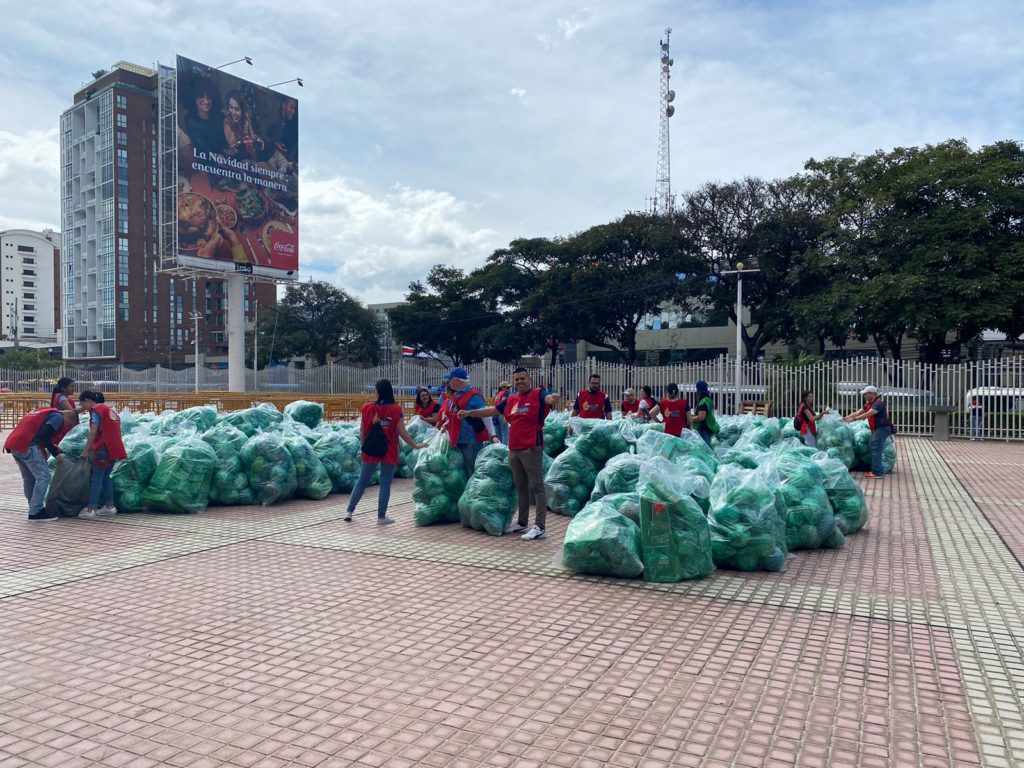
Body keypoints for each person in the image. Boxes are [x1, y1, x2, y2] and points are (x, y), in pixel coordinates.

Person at [459, 367, 560, 541]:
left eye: (522, 378)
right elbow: (492, 411)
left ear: (529, 380)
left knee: (536, 486)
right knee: (520, 486)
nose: (520, 382)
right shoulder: (511, 399)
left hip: (531, 448)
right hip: (513, 448)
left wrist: (553, 398)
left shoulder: (538, 394)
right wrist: (470, 413)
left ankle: (540, 526)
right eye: (517, 380)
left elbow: (549, 399)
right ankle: (522, 522)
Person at [344, 379, 427, 524]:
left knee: (362, 480)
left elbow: (362, 431)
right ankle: (381, 517)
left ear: (378, 392)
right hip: (389, 449)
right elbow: (403, 433)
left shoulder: (367, 408)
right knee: (385, 483)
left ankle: (350, 511)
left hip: (370, 449)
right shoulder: (396, 410)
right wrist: (415, 445)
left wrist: (364, 447)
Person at [4, 407, 78, 521]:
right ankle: (36, 511)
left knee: (29, 479)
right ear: (69, 418)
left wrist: (52, 447)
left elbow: (39, 433)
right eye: (69, 424)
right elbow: (44, 435)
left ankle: (33, 507)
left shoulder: (43, 412)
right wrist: (55, 455)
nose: (65, 426)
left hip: (15, 445)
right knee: (43, 477)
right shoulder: (58, 417)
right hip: (28, 446)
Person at [77, 391, 127, 520]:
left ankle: (90, 510)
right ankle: (110, 507)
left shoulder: (96, 411)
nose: (83, 408)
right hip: (115, 447)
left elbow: (93, 432)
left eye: (82, 404)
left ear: (87, 400)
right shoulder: (109, 410)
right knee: (105, 477)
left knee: (96, 477)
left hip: (104, 447)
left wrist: (86, 450)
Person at [442, 367, 498, 476]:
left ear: (457, 380)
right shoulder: (456, 395)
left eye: (450, 379)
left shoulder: (474, 396)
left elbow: (485, 415)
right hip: (457, 439)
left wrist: (493, 434)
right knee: (462, 470)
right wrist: (448, 424)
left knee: (471, 469)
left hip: (469, 441)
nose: (448, 382)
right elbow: (455, 414)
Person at [844, 386, 894, 479]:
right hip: (877, 429)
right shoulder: (869, 403)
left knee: (875, 448)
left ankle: (877, 472)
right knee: (873, 446)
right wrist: (845, 418)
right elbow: (858, 412)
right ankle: (877, 469)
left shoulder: (878, 404)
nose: (864, 395)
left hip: (882, 428)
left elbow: (868, 414)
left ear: (872, 394)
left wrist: (854, 419)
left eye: (866, 393)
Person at [183, 77, 227, 156]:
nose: (206, 101)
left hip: (227, 162)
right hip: (204, 164)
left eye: (209, 97)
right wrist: (215, 157)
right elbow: (200, 145)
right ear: (194, 98)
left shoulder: (220, 116)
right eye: (201, 97)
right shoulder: (190, 119)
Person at [223, 90, 263, 159]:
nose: (233, 112)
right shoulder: (227, 123)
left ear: (243, 110)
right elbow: (235, 149)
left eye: (237, 109)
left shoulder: (246, 120)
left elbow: (253, 141)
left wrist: (248, 122)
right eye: (231, 107)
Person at [689, 380, 720, 447]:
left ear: (699, 390)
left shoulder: (704, 401)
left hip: (704, 429)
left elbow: (701, 417)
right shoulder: (706, 399)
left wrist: (690, 418)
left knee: (705, 449)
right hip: (705, 428)